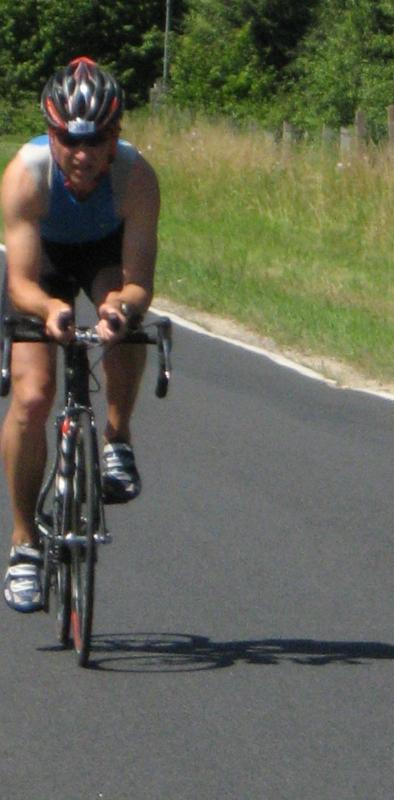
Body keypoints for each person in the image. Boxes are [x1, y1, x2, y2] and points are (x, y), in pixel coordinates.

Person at [1, 56, 159, 612]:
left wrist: (121, 308)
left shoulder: (136, 178)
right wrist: (49, 309)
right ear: (51, 134)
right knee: (32, 397)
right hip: (41, 267)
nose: (83, 154)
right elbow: (21, 282)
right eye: (70, 139)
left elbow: (139, 283)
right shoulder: (26, 174)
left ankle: (117, 437)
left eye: (97, 140)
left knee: (122, 319)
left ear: (116, 135)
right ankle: (24, 542)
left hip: (103, 256)